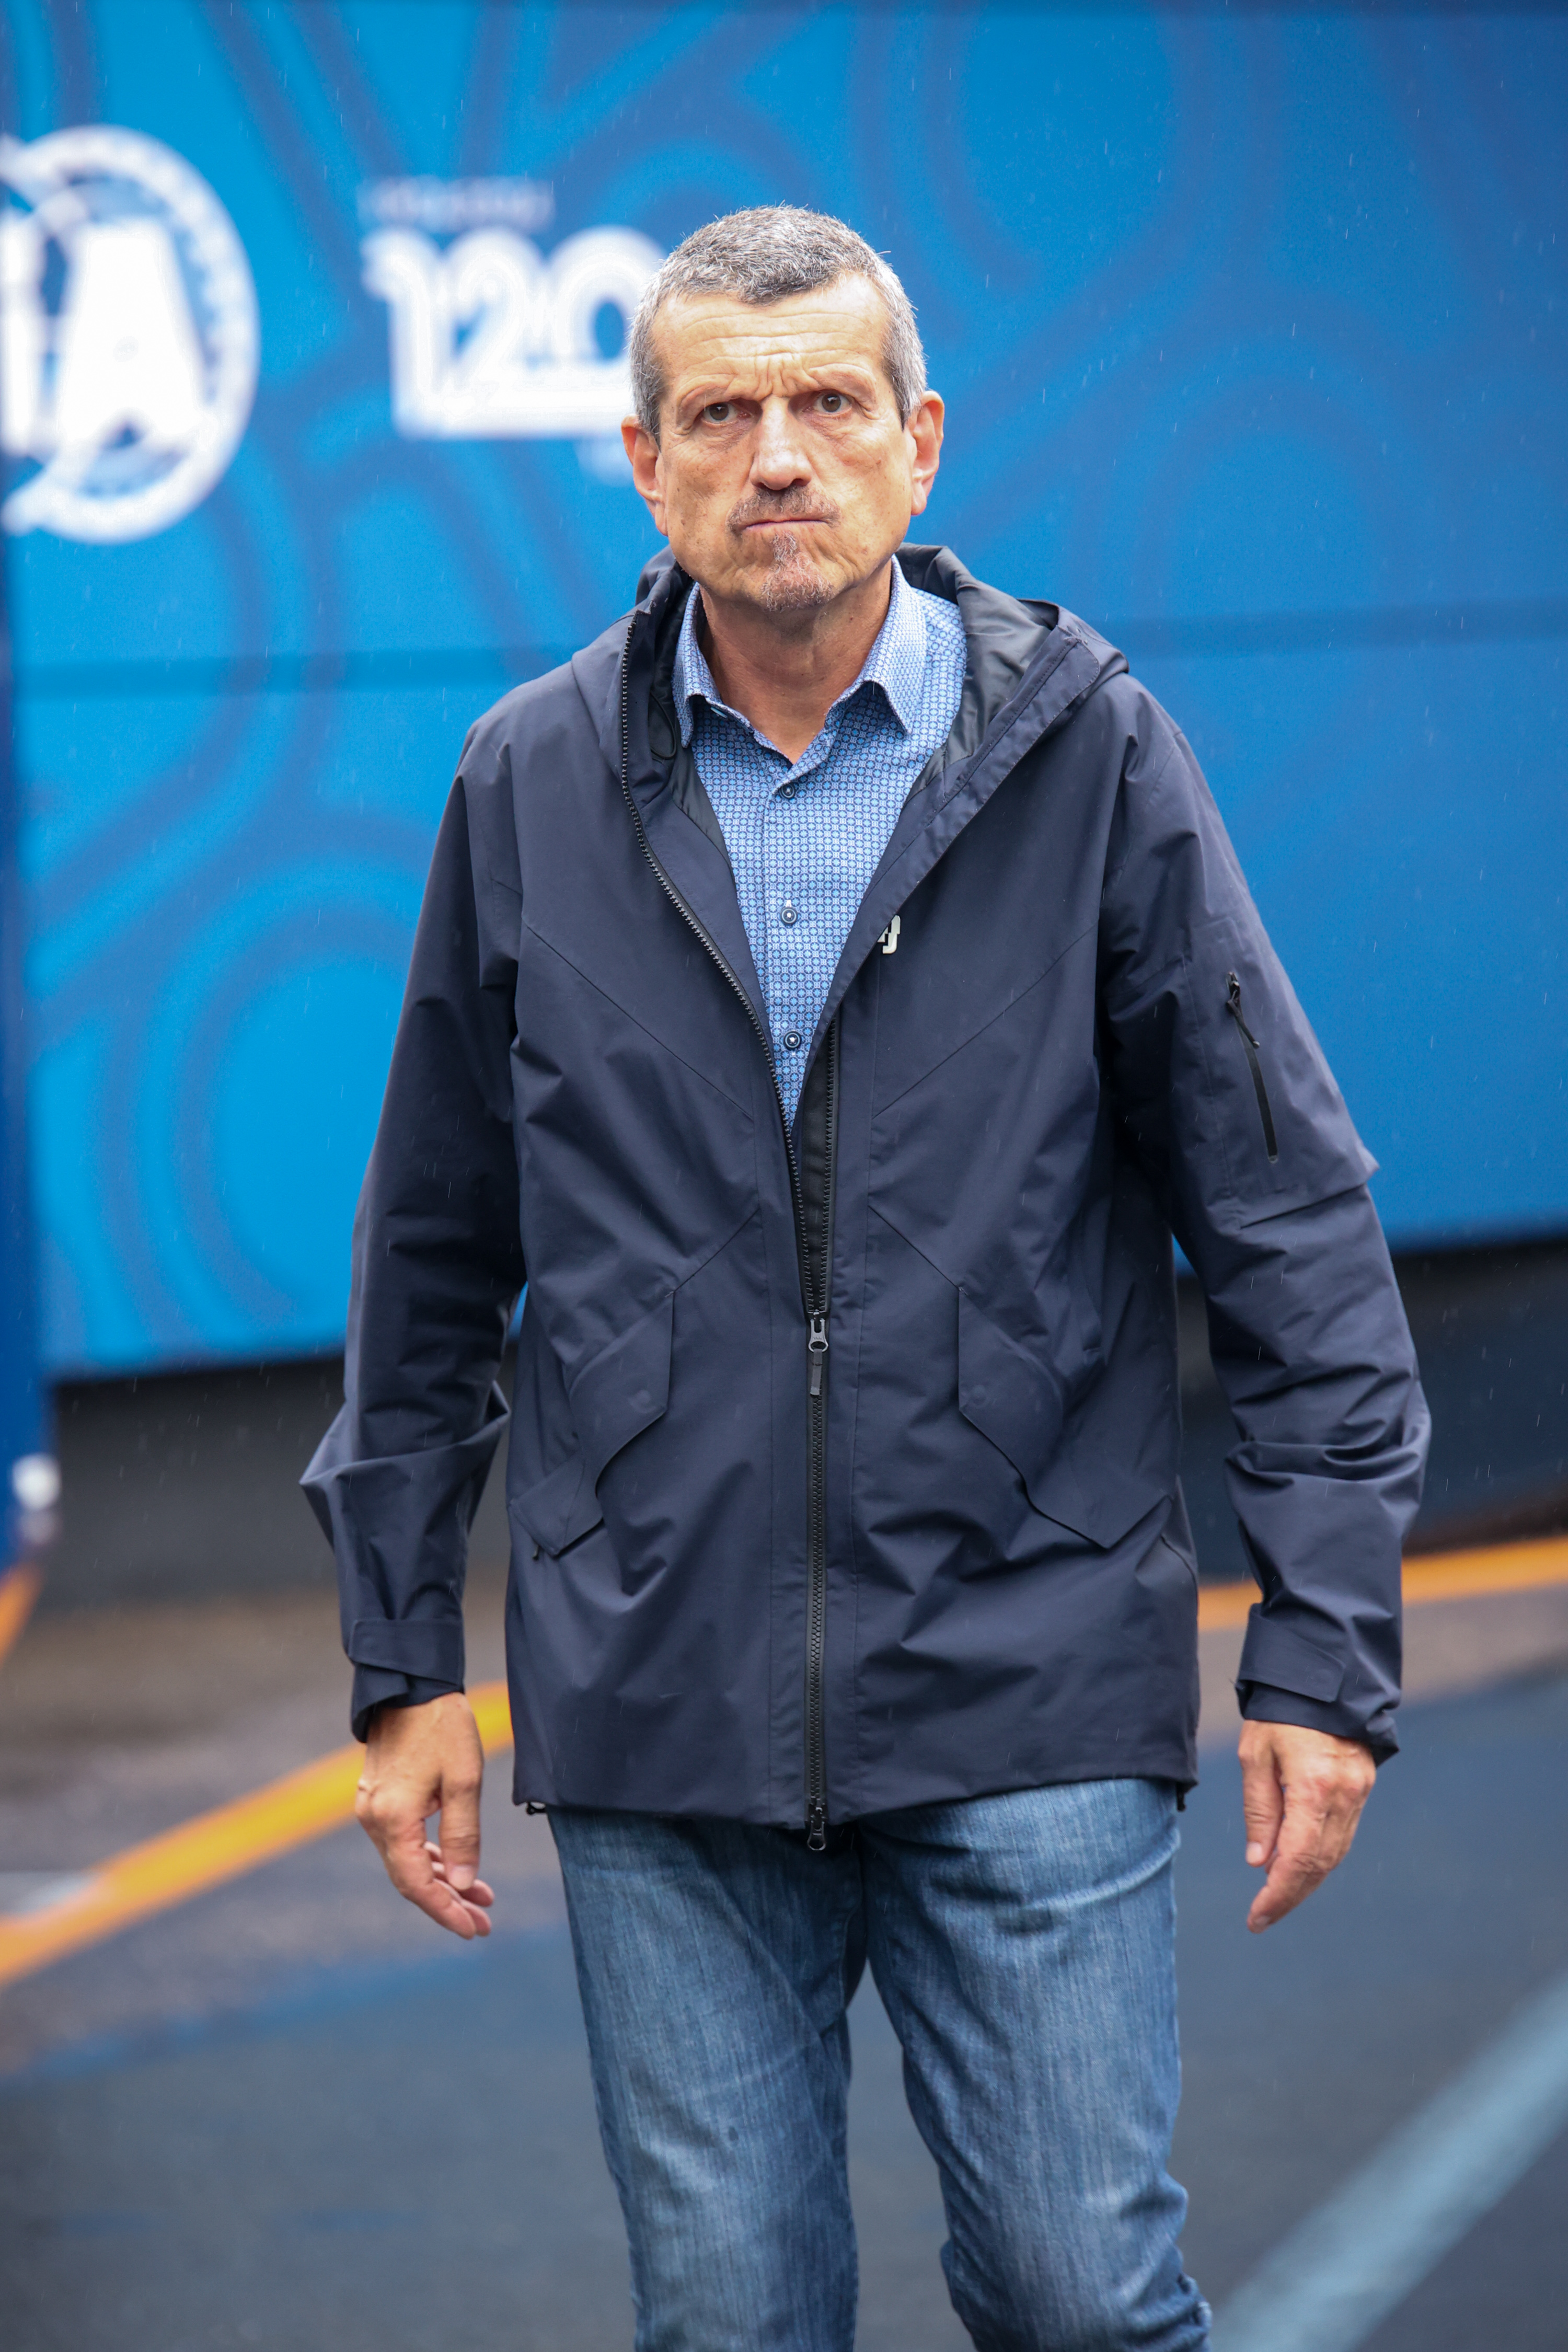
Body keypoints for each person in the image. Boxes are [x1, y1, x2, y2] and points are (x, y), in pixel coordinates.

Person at [304, 206, 1429, 2351]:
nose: (777, 457)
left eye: (827, 405)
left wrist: (1325, 1649)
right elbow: (436, 1245)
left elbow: (1287, 1212)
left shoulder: (1089, 749)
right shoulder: (531, 778)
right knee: (733, 2328)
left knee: (1083, 2308)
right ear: (642, 462)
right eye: (718, 415)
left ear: (920, 445)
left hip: (1030, 1660)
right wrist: (396, 1664)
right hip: (657, 1699)